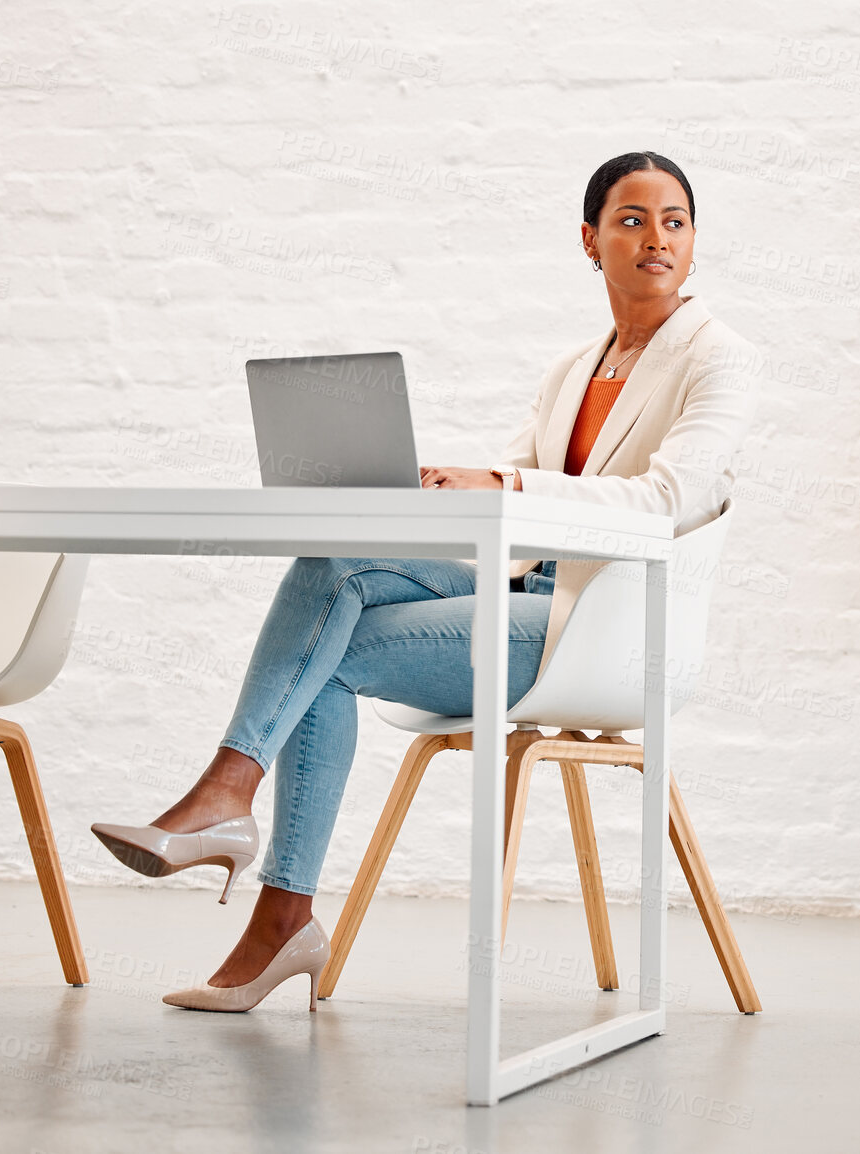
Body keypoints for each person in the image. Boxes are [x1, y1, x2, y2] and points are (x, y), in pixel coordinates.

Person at [90, 150, 757, 1012]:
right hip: (525, 595)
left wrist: (505, 486)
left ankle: (250, 848)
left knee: (319, 649)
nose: (655, 238)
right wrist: (431, 482)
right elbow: (507, 488)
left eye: (674, 222)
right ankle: (253, 856)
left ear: (694, 245)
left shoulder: (721, 359)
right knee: (332, 567)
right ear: (590, 242)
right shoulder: (571, 368)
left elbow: (667, 499)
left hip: (603, 630)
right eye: (631, 220)